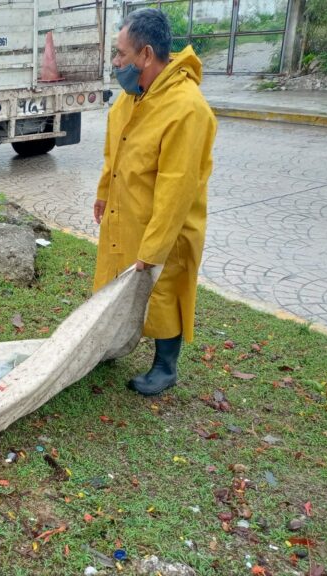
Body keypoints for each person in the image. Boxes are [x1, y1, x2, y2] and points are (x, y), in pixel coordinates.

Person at [93, 9, 217, 396]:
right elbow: (113, 156)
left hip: (165, 225)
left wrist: (153, 248)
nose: (116, 63)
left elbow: (176, 189)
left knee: (162, 290)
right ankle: (111, 344)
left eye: (122, 54)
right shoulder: (131, 99)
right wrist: (102, 194)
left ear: (146, 55)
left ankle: (165, 366)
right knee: (115, 281)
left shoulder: (186, 109)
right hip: (124, 213)